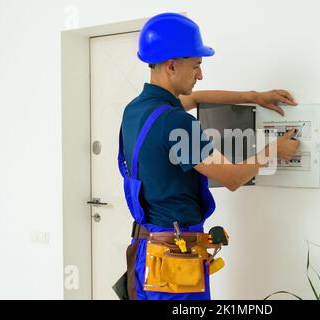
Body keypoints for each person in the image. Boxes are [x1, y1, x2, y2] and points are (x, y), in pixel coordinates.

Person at [118, 12, 299, 300]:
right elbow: (233, 178)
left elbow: (198, 98)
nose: (200, 75)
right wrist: (275, 149)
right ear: (172, 66)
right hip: (176, 262)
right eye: (197, 66)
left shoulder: (136, 110)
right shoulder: (176, 123)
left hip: (146, 254)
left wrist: (255, 97)